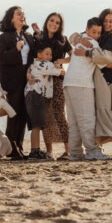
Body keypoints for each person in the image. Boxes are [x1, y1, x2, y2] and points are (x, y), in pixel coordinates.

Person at [75, 8, 112, 157]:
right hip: (97, 78)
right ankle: (99, 146)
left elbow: (106, 58)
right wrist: (79, 39)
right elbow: (74, 37)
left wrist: (88, 53)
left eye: (111, 21)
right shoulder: (96, 34)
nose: (108, 24)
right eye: (106, 21)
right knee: (100, 109)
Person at [63, 18, 110, 161]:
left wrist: (78, 38)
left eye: (98, 33)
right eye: (93, 32)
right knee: (87, 119)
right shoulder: (93, 44)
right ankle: (92, 151)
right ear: (87, 29)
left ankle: (75, 152)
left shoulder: (80, 39)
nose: (96, 35)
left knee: (74, 122)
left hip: (68, 83)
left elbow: (72, 37)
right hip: (81, 84)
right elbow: (104, 62)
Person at [0, 5, 36, 160]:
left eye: (23, 14)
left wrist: (38, 35)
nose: (22, 16)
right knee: (14, 113)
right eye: (19, 14)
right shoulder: (4, 37)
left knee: (24, 113)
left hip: (27, 78)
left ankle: (19, 146)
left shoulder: (28, 36)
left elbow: (35, 54)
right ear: (11, 18)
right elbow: (1, 59)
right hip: (12, 80)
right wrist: (16, 50)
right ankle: (11, 148)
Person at [32, 12, 72, 160]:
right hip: (42, 80)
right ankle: (49, 151)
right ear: (47, 21)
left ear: (60, 26)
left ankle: (68, 150)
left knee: (60, 113)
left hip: (58, 80)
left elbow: (73, 55)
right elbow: (34, 57)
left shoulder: (63, 39)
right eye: (52, 20)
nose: (54, 24)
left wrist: (61, 61)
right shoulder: (39, 38)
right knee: (46, 115)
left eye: (57, 22)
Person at [25, 45, 65, 159]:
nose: (49, 56)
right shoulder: (46, 64)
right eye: (47, 54)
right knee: (36, 125)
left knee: (35, 125)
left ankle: (35, 149)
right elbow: (61, 72)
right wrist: (59, 66)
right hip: (37, 95)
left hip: (30, 95)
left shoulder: (33, 65)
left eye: (50, 54)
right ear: (39, 55)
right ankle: (34, 151)